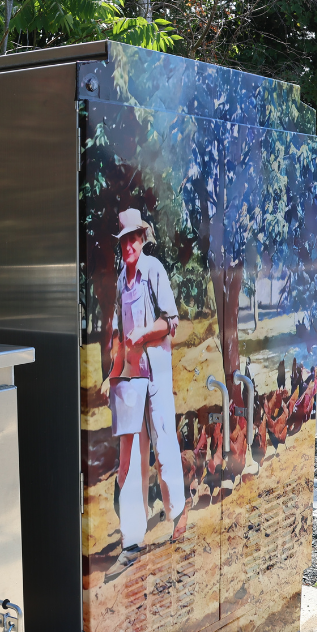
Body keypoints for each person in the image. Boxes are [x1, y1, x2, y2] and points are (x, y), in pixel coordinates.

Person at [107, 208, 188, 568]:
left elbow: (171, 321)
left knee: (164, 442)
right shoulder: (120, 281)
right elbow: (115, 333)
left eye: (133, 238)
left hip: (156, 372)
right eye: (123, 240)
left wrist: (142, 333)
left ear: (142, 239)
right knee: (132, 455)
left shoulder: (153, 270)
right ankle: (132, 539)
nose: (128, 245)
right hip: (130, 378)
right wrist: (113, 373)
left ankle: (178, 514)